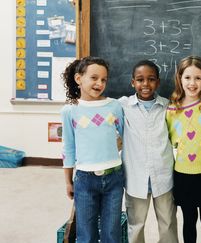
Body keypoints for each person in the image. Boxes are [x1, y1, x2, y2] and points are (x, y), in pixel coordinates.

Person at [61, 56, 124, 243]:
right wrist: (68, 181)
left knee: (111, 234)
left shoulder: (114, 106)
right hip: (85, 180)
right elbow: (68, 148)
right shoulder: (69, 111)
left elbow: (126, 137)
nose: (99, 83)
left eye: (104, 79)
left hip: (114, 177)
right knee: (86, 235)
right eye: (94, 78)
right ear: (79, 79)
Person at [118, 60, 178, 243]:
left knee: (168, 224)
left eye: (151, 79)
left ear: (158, 82)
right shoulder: (123, 106)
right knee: (136, 225)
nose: (145, 84)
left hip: (163, 176)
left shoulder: (168, 106)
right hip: (135, 178)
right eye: (140, 79)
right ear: (132, 82)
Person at [166, 56, 201, 243]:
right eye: (187, 77)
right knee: (188, 220)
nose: (192, 83)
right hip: (182, 173)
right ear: (179, 78)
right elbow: (171, 140)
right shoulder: (171, 109)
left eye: (198, 78)